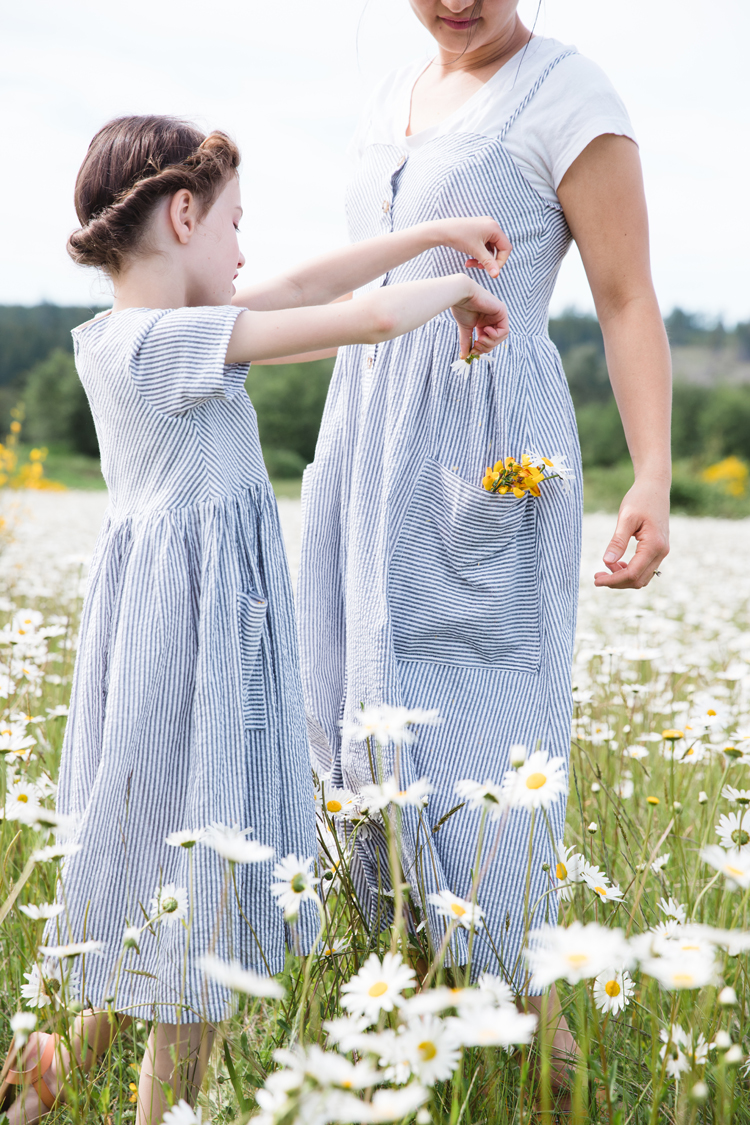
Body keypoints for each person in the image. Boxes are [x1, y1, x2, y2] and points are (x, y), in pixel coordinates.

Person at [0, 115, 510, 1125]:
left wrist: (428, 236)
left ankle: (37, 1078)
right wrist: (455, 286)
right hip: (194, 661)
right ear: (182, 214)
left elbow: (313, 288)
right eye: (235, 224)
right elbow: (355, 322)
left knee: (172, 893)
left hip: (182, 647)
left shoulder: (144, 335)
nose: (243, 251)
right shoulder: (157, 345)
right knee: (202, 928)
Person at [295, 0, 671, 1095]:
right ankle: (424, 1038)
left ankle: (543, 1060)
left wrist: (651, 473)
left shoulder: (568, 93)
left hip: (484, 440)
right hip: (363, 439)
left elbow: (627, 293)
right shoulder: (388, 95)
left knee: (480, 736)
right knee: (356, 730)